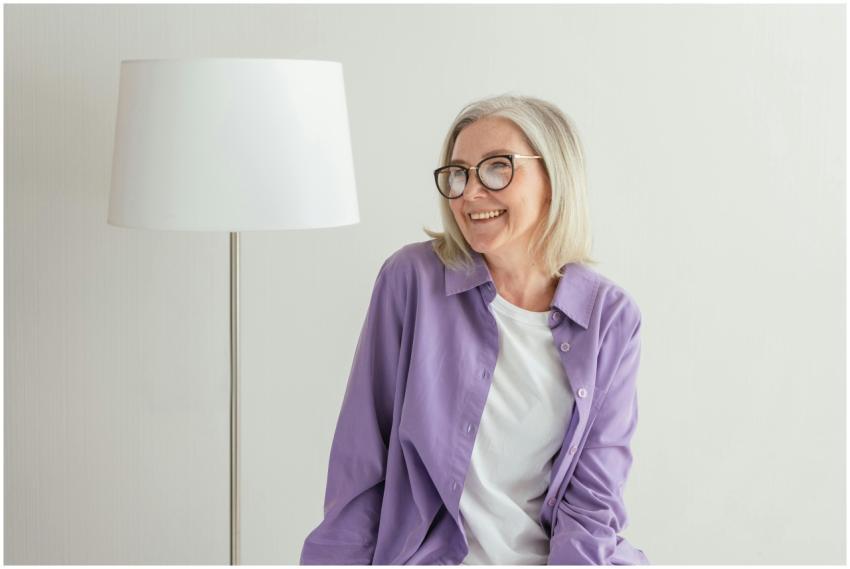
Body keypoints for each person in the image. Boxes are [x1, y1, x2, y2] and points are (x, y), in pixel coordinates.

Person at [300, 94, 650, 565]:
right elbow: (360, 467)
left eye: (496, 168)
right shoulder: (412, 282)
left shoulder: (610, 317)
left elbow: (593, 503)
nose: (470, 193)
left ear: (554, 177)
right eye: (459, 173)